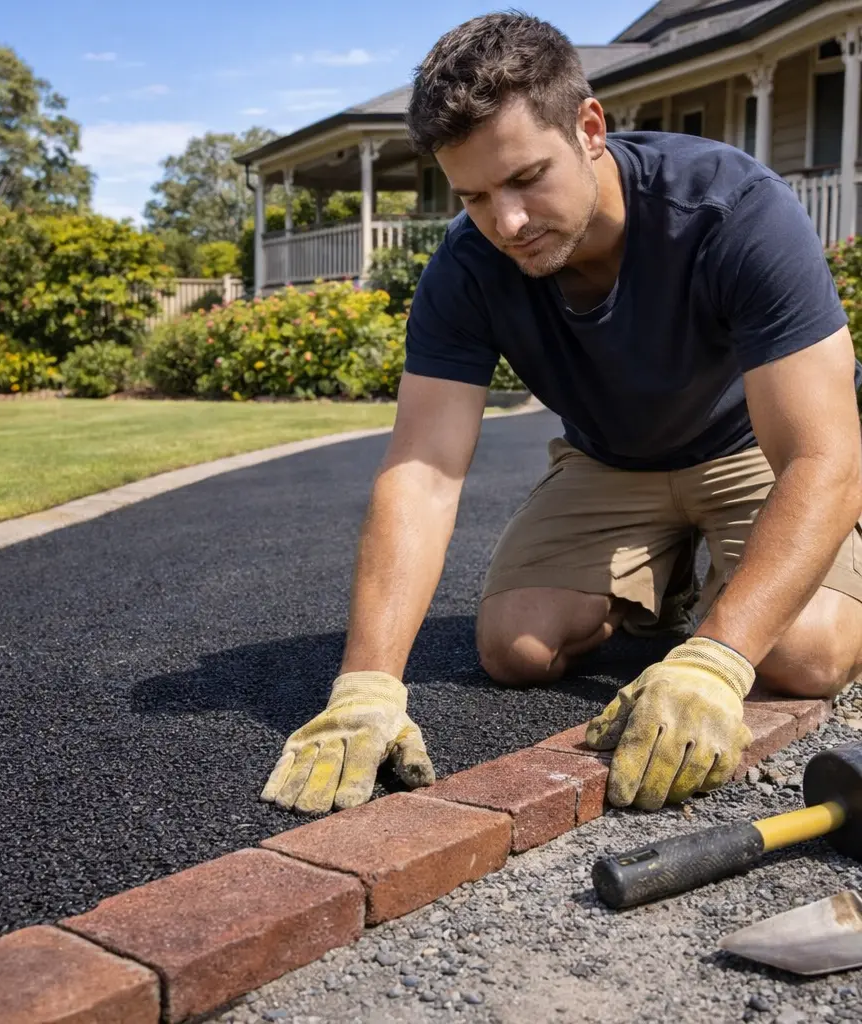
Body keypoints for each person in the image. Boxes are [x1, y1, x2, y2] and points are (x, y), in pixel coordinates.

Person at [260, 11, 862, 815]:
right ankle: (681, 576)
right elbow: (424, 472)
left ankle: (727, 599)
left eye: (525, 178)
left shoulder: (734, 211)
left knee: (802, 654)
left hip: (750, 448)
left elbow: (823, 459)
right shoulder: (468, 267)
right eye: (474, 195)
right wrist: (366, 684)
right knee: (516, 648)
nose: (504, 222)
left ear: (588, 128)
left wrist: (716, 660)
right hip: (611, 459)